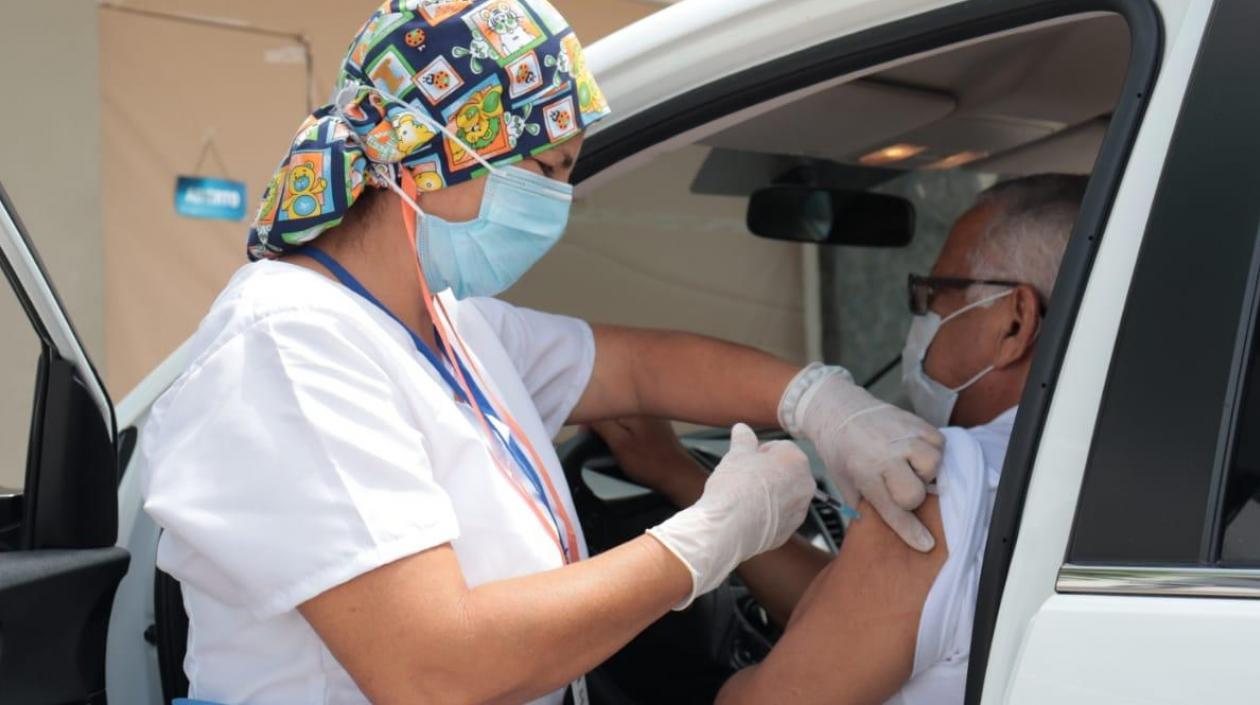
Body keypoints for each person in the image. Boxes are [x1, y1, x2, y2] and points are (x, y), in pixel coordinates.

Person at [139, 3, 945, 704]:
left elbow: (639, 367)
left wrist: (821, 402)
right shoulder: (289, 346)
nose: (557, 203)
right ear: (437, 149)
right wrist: (707, 538)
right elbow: (433, 669)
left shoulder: (447, 319)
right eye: (548, 170)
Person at [596, 174, 1088, 705]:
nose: (919, 317)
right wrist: (681, 475)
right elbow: (862, 612)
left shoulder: (950, 484)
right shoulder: (1094, 464)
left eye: (930, 294)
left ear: (1015, 322)